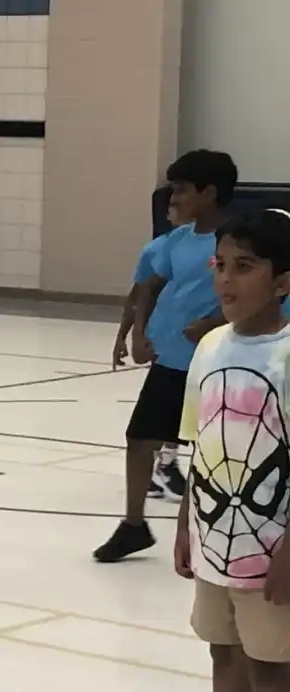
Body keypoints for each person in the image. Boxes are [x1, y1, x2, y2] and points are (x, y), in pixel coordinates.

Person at [94, 149, 237, 563]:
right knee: (139, 438)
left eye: (182, 189)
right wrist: (139, 333)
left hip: (217, 363)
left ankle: (204, 530)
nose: (174, 197)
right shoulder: (177, 240)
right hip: (171, 360)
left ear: (209, 192)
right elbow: (149, 288)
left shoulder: (238, 240)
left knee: (214, 451)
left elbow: (257, 293)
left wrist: (213, 321)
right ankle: (133, 525)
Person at [175, 210, 290, 691]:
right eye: (219, 265)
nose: (226, 279)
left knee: (271, 666)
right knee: (222, 652)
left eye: (244, 267)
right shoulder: (210, 346)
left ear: (282, 282)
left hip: (273, 551)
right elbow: (200, 444)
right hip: (213, 541)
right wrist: (185, 523)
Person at [112, 204, 190, 501]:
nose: (179, 209)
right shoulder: (157, 249)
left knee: (184, 408)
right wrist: (125, 335)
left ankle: (165, 462)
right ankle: (165, 464)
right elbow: (138, 295)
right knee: (167, 408)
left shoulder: (216, 243)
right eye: (173, 205)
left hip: (192, 340)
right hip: (163, 338)